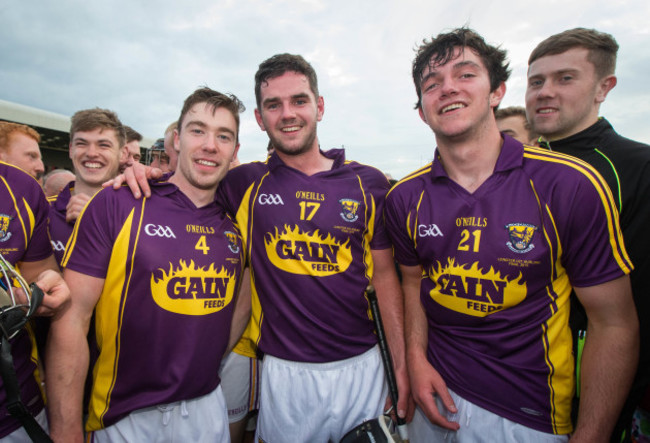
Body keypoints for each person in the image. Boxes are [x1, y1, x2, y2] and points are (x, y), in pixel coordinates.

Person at [116, 53, 410, 442]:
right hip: (284, 373)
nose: (288, 114)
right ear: (259, 118)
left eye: (299, 101)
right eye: (274, 105)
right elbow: (187, 190)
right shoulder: (244, 184)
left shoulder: (368, 182)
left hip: (364, 367)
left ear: (319, 107)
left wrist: (400, 366)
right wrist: (145, 174)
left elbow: (386, 276)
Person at [384, 28, 638, 442]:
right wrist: (415, 358)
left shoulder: (569, 184)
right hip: (435, 396)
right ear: (422, 110)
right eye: (432, 84)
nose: (447, 88)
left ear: (497, 91)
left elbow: (613, 324)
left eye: (465, 75)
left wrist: (592, 434)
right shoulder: (403, 197)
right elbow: (413, 283)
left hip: (528, 410)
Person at [45, 87, 246, 442]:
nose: (210, 145)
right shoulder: (120, 202)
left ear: (234, 152)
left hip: (207, 409)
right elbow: (72, 318)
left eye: (224, 136)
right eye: (197, 130)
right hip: (126, 417)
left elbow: (240, 303)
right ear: (176, 140)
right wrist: (65, 429)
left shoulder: (236, 224)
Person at [526, 27, 650, 442]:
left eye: (565, 78)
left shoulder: (637, 167)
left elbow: (630, 312)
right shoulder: (511, 169)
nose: (545, 92)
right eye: (536, 81)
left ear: (604, 87)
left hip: (590, 386)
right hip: (517, 385)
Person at [0, 161, 70, 440]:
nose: (39, 164)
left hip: (13, 409)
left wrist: (45, 290)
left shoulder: (19, 187)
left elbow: (43, 277)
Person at [48, 108, 125, 266]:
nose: (91, 153)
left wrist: (98, 220)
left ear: (122, 154)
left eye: (103, 145)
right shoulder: (41, 211)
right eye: (82, 144)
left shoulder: (140, 213)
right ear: (71, 150)